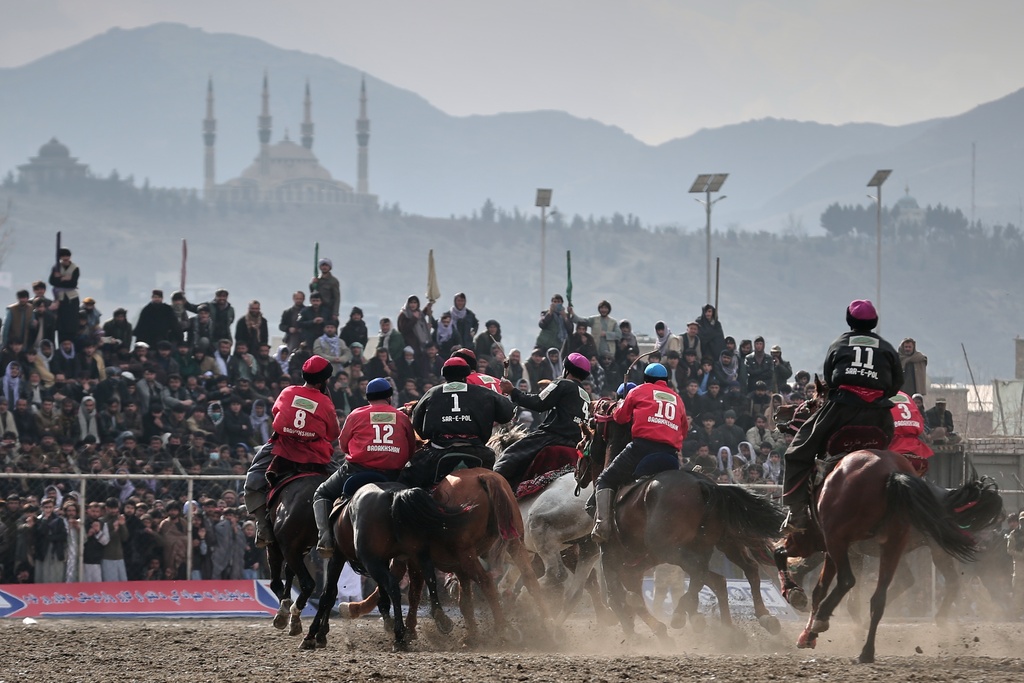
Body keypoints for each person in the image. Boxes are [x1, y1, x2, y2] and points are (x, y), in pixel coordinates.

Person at [781, 300, 902, 531]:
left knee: (797, 452)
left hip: (842, 411)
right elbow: (896, 385)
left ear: (850, 320)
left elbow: (830, 378)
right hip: (879, 416)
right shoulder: (887, 347)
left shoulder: (839, 343)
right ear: (874, 322)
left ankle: (796, 513)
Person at [243, 355, 341, 547]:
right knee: (343, 483)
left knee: (253, 480)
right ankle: (333, 533)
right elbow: (333, 432)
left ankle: (263, 527)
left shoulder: (287, 392)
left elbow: (275, 413)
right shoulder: (325, 402)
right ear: (324, 380)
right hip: (314, 452)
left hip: (282, 448)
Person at [311, 377, 416, 556]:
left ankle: (326, 539)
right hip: (393, 475)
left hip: (357, 470)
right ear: (390, 397)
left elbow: (343, 445)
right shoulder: (402, 418)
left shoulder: (356, 414)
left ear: (368, 397)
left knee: (322, 493)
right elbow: (411, 449)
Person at [592, 363, 687, 542]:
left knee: (604, 479)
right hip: (671, 456)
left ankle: (602, 527)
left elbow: (620, 417)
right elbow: (684, 430)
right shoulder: (677, 399)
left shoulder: (639, 391)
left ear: (645, 380)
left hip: (643, 449)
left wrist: (623, 404)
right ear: (665, 381)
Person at [400, 357, 515, 488]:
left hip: (438, 453)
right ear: (466, 375)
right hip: (479, 452)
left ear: (445, 375)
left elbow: (417, 423)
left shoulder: (432, 392)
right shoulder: (483, 392)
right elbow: (507, 414)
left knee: (407, 480)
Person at [493, 352, 592, 487]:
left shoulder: (562, 383)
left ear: (566, 369)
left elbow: (539, 403)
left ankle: (495, 486)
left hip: (552, 436)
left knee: (507, 457)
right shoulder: (586, 395)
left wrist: (512, 391)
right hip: (575, 443)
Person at [888, 391, 933, 475]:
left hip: (895, 447)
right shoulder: (907, 398)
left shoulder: (882, 397)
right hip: (916, 451)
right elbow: (920, 427)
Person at [49, 247, 81, 344]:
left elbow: (73, 284)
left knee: (72, 321)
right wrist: (64, 279)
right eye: (63, 256)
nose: (65, 258)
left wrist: (60, 279)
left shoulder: (75, 268)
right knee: (61, 322)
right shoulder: (56, 267)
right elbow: (52, 281)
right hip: (60, 298)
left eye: (67, 256)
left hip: (72, 298)